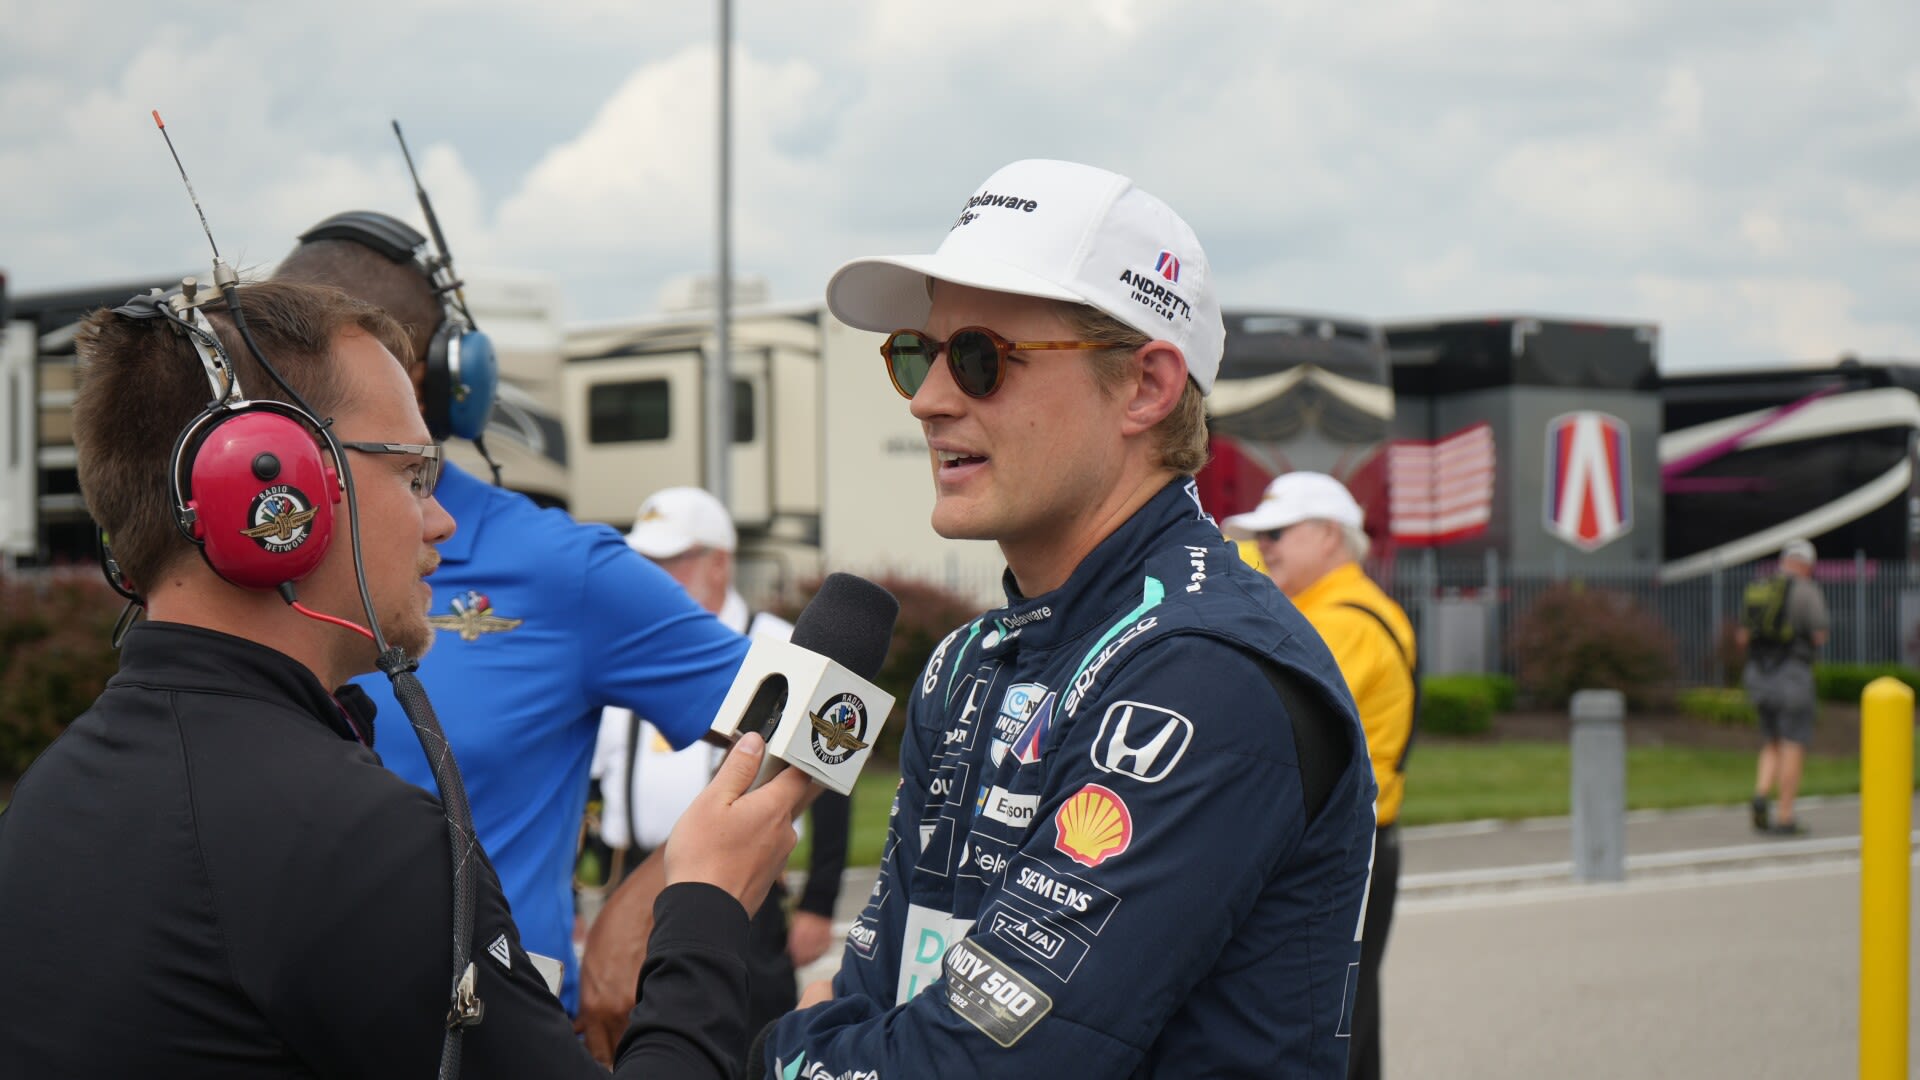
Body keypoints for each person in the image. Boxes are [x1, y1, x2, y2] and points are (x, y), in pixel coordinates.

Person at [0, 279, 814, 1077]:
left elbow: (827, 713)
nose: (442, 519)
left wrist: (638, 898)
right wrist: (700, 907)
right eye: (414, 472)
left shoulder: (42, 805)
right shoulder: (372, 845)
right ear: (272, 488)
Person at [759, 159, 1377, 1077]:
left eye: (979, 357)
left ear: (1145, 387)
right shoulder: (968, 660)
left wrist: (765, 1051)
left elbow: (986, 1061)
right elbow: (878, 992)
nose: (930, 398)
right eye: (916, 355)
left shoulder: (1207, 673)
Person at [277, 213, 752, 1014]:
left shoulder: (560, 568)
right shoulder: (238, 568)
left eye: (284, 375)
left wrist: (657, 901)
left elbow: (826, 726)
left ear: (413, 377)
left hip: (492, 1043)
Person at [590, 486, 851, 1036]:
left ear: (719, 563)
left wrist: (818, 903)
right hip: (631, 878)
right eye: (647, 563)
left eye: (672, 561)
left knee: (748, 1042)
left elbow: (830, 772)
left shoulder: (779, 645)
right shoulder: (629, 649)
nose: (656, 577)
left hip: (744, 890)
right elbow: (598, 776)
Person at [1224, 471, 1416, 1080]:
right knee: (1345, 1017)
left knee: (1323, 1027)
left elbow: (1259, 719)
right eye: (1258, 536)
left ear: (1330, 536)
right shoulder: (1317, 609)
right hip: (1351, 847)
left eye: (1277, 533)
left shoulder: (1343, 623)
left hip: (1341, 853)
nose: (1265, 548)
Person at [1736, 538, 1829, 836]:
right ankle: (1785, 815)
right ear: (1806, 565)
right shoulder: (1806, 591)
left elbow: (1742, 636)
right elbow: (1819, 635)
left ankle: (1761, 793)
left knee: (1771, 741)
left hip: (1759, 676)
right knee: (1792, 744)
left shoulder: (1760, 589)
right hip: (1793, 677)